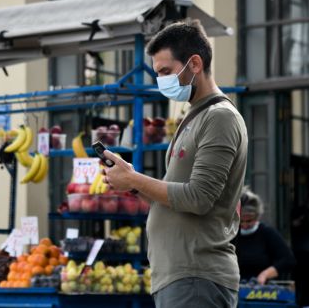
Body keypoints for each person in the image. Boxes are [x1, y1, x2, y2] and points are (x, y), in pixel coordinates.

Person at [103, 19, 248, 308]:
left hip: (196, 278)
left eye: (166, 72)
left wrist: (134, 181)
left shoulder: (219, 117)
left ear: (194, 64)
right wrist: (132, 182)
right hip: (180, 278)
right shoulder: (194, 117)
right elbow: (175, 197)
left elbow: (198, 198)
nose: (161, 81)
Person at [233, 188, 295, 284]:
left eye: (249, 221)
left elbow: (288, 260)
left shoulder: (267, 232)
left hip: (262, 289)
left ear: (257, 216)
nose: (245, 225)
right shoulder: (232, 234)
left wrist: (265, 274)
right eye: (241, 221)